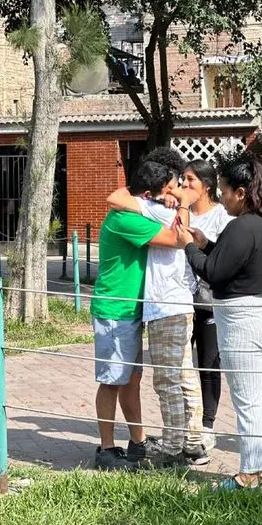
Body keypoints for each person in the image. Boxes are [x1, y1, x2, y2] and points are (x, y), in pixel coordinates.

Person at [177, 159, 262, 490]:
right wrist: (204, 244)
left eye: (224, 191)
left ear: (241, 193)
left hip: (244, 321)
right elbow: (229, 260)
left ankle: (249, 474)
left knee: (247, 399)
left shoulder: (241, 226)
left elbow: (213, 272)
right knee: (261, 395)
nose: (221, 198)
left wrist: (186, 247)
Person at [105, 148, 208, 468]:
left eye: (181, 181)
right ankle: (193, 442)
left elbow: (116, 198)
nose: (178, 185)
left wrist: (168, 198)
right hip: (178, 302)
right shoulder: (168, 208)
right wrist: (175, 199)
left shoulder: (154, 210)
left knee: (167, 380)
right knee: (184, 375)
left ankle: (175, 446)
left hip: (165, 306)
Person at [92, 161, 186, 471]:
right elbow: (175, 238)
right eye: (167, 190)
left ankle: (137, 441)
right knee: (112, 380)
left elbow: (120, 194)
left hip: (131, 309)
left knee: (131, 379)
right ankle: (106, 449)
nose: (173, 194)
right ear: (148, 195)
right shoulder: (127, 219)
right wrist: (183, 204)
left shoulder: (135, 208)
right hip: (115, 311)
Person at [180, 159, 233, 449]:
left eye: (190, 180)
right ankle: (186, 422)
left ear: (206, 186)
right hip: (178, 299)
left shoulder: (222, 218)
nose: (184, 185)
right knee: (180, 364)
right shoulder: (180, 213)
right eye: (183, 179)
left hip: (209, 302)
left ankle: (208, 424)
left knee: (209, 362)